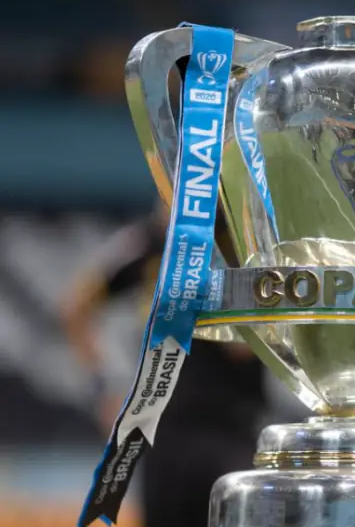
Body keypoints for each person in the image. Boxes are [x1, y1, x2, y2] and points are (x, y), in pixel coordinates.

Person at [61, 207, 266, 527]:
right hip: (164, 430)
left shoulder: (244, 243)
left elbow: (244, 348)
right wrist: (103, 388)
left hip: (230, 427)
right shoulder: (149, 243)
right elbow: (76, 308)